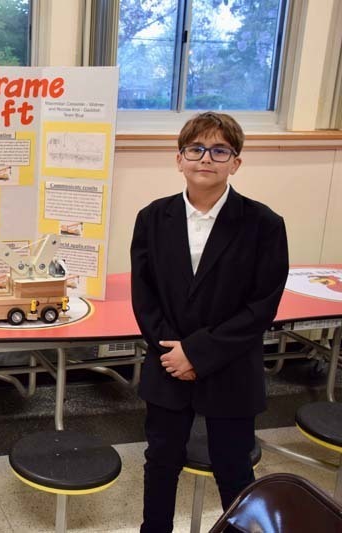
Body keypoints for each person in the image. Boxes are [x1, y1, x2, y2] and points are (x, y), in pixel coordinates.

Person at [130, 112, 288, 533]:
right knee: (160, 462)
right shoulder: (152, 218)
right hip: (168, 363)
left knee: (234, 467)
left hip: (231, 367)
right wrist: (174, 353)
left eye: (220, 150)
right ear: (179, 159)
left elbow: (262, 306)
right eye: (196, 149)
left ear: (236, 162)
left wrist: (198, 354)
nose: (206, 158)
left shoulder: (264, 224)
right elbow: (144, 297)